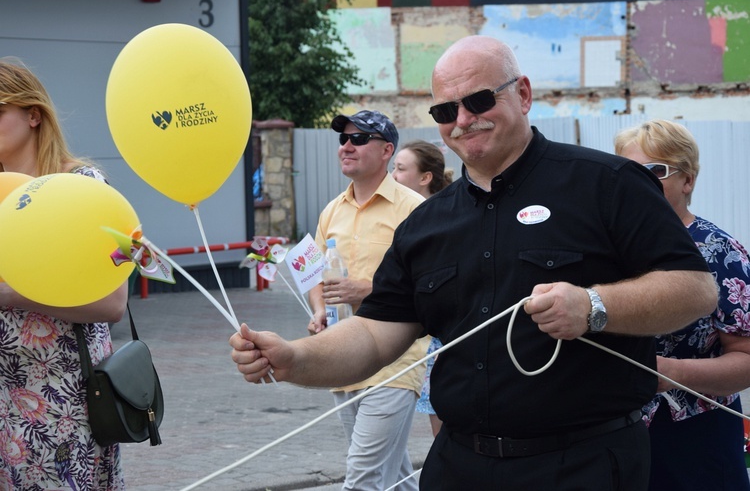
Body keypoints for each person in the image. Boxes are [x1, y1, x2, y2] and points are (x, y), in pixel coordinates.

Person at [230, 36, 717, 490]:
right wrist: (295, 358)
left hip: (583, 464)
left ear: (522, 94)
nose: (463, 119)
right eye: (446, 109)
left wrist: (595, 305)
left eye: (479, 100)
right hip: (459, 466)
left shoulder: (607, 184)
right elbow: (376, 333)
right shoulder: (427, 224)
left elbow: (695, 289)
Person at [0, 58, 128, 489]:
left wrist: (15, 295)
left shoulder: (85, 187)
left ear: (33, 115)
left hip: (64, 401)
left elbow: (113, 303)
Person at [615, 119, 750, 491]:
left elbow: (747, 358)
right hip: (611, 432)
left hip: (694, 437)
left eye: (656, 170)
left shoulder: (720, 253)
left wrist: (671, 372)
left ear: (688, 180)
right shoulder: (604, 248)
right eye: (629, 170)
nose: (640, 181)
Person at [306, 110, 428, 491]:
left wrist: (368, 290)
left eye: (359, 139)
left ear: (387, 150)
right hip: (343, 356)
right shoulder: (331, 210)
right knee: (396, 474)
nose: (346, 146)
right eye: (343, 139)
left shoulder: (413, 208)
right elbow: (312, 272)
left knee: (362, 477)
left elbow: (430, 285)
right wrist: (318, 311)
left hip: (396, 362)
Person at [392, 139, 453, 438]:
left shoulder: (446, 219)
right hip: (430, 348)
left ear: (425, 177)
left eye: (401, 169)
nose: (393, 176)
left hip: (447, 342)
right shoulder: (403, 218)